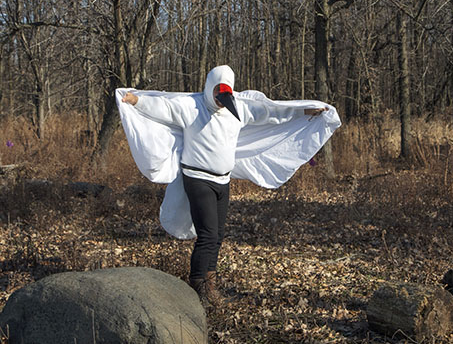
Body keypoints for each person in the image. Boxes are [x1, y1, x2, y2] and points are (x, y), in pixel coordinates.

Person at [118, 65, 337, 307]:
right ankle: (199, 288)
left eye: (225, 97)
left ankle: (210, 285)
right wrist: (136, 100)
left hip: (223, 181)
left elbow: (271, 112)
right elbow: (163, 107)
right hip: (198, 180)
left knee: (217, 235)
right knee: (208, 235)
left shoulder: (239, 107)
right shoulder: (191, 108)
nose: (221, 103)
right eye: (218, 96)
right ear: (210, 89)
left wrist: (304, 111)